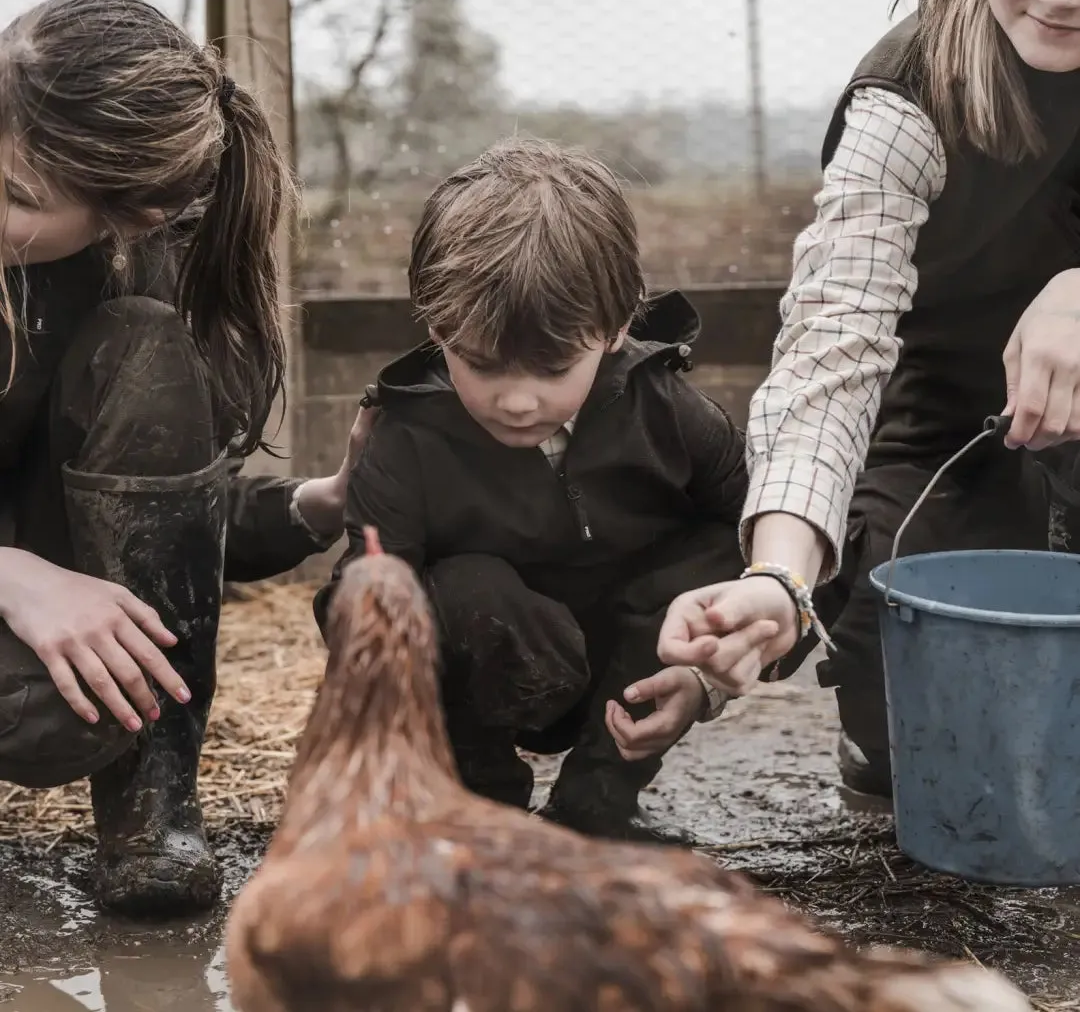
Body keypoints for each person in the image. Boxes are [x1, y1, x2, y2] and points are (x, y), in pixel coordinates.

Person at [654, 0, 1080, 798]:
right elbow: (834, 341)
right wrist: (780, 575)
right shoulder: (905, 98)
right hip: (952, 431)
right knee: (931, 739)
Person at [314, 137, 803, 846]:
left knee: (719, 547)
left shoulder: (666, 408)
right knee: (441, 590)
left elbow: (769, 545)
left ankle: (598, 802)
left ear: (614, 328)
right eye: (481, 365)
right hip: (485, 667)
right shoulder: (408, 438)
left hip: (625, 661)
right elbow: (359, 607)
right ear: (435, 324)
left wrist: (711, 681)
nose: (516, 400)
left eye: (550, 369)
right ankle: (478, 803)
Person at [0, 0, 364, 918]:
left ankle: (153, 808)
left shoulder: (138, 278)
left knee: (87, 701)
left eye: (16, 196)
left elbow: (169, 539)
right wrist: (11, 574)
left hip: (40, 605)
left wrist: (314, 506)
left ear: (127, 220)